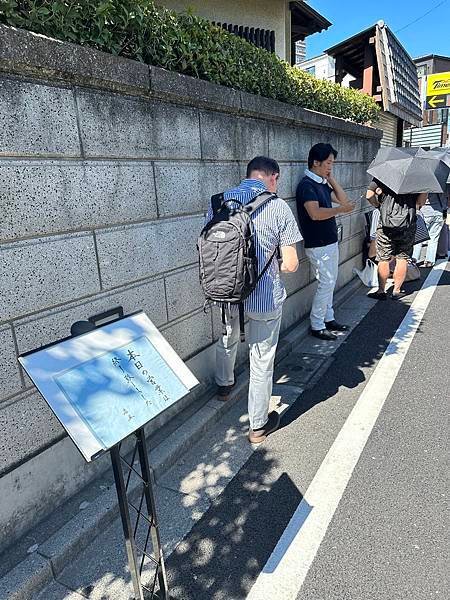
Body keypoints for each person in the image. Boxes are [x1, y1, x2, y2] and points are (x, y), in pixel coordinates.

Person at [206, 156, 303, 444]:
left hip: (226, 292)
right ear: (272, 177)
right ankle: (258, 426)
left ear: (249, 175)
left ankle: (224, 387)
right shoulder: (277, 207)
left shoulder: (219, 202)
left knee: (227, 338)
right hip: (264, 298)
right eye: (277, 179)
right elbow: (291, 264)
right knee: (261, 360)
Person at [296, 143, 354, 341]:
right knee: (326, 283)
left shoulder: (320, 183)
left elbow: (343, 201)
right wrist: (340, 211)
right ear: (316, 162)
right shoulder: (306, 185)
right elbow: (314, 213)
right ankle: (317, 324)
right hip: (318, 243)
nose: (330, 167)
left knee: (330, 283)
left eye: (332, 163)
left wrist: (332, 179)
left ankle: (328, 319)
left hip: (329, 241)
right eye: (328, 163)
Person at [366, 180, 427, 300]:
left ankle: (381, 291)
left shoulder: (384, 174)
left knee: (383, 258)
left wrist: (378, 205)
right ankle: (397, 291)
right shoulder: (420, 178)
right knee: (402, 258)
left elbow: (369, 195)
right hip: (407, 224)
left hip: (386, 224)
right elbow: (420, 203)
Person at [412, 191, 450, 267]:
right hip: (439, 211)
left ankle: (415, 258)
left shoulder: (426, 183)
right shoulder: (443, 183)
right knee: (434, 238)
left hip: (424, 211)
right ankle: (430, 260)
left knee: (419, 236)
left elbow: (420, 201)